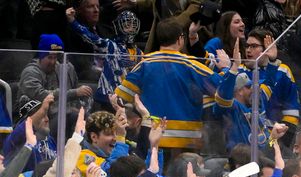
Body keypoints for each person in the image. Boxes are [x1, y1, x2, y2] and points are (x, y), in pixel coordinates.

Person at [115, 18, 226, 150]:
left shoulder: (145, 64)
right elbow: (222, 87)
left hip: (152, 137)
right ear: (180, 39)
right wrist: (225, 69)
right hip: (187, 141)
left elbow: (119, 97)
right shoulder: (191, 64)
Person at [65, 6, 141, 107]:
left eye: (133, 25)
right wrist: (73, 21)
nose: (131, 28)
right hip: (108, 96)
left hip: (128, 98)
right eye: (127, 25)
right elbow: (89, 36)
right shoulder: (111, 45)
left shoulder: (138, 52)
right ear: (119, 27)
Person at [18, 34, 92, 114]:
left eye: (55, 57)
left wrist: (74, 108)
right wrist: (74, 93)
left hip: (57, 116)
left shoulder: (64, 68)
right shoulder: (30, 72)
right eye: (49, 57)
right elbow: (42, 96)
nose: (53, 62)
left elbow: (74, 90)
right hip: (32, 118)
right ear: (41, 56)